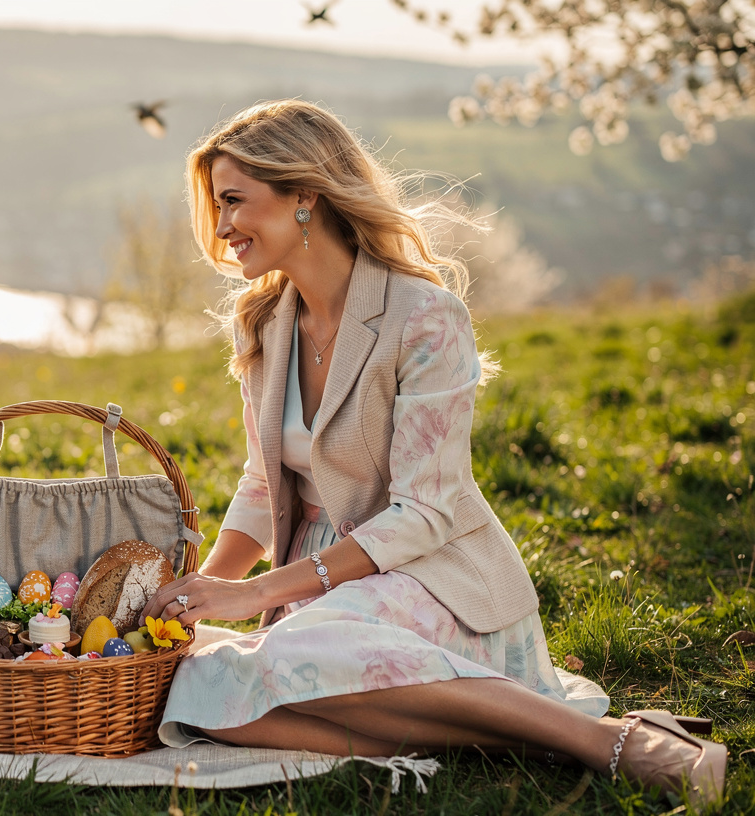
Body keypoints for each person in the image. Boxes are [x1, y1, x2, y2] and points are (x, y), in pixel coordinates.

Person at [141, 100, 725, 809]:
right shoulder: (263, 321)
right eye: (216, 205)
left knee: (288, 658)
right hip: (316, 590)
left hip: (432, 575)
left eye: (234, 201)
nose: (223, 225)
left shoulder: (424, 316)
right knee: (192, 690)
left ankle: (616, 743)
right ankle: (508, 735)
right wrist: (195, 600)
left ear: (304, 196)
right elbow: (263, 484)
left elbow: (425, 513)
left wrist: (260, 591)